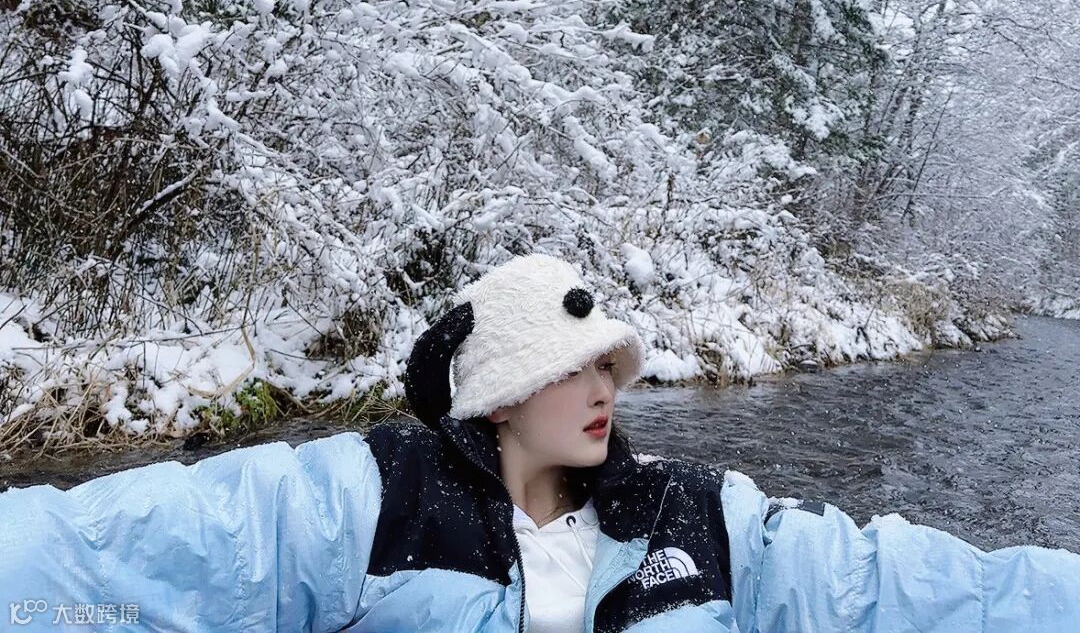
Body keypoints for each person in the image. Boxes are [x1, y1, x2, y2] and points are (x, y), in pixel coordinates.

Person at [0, 253, 1078, 633]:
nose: (603, 386)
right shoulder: (371, 496)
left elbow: (893, 587)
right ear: (501, 396)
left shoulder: (698, 513)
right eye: (570, 367)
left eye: (609, 363)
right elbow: (110, 556)